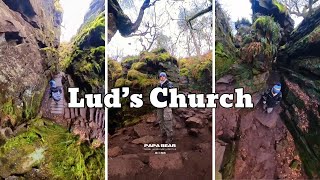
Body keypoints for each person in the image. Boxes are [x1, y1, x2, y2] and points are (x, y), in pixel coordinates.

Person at [156, 72, 174, 144]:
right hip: (159, 104)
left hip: (167, 105)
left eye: (163, 76)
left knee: (167, 120)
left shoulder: (169, 84)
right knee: (160, 120)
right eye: (161, 76)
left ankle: (170, 137)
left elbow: (171, 92)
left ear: (166, 77)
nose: (162, 77)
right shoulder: (158, 85)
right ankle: (163, 134)